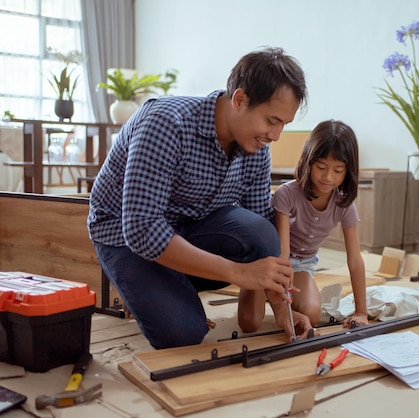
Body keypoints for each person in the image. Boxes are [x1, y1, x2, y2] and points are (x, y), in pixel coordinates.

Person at [87, 47, 313, 349]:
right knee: (184, 334)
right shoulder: (166, 124)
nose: (276, 135)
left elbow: (263, 236)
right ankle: (142, 285)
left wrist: (282, 309)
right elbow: (142, 230)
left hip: (191, 227)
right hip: (127, 237)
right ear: (240, 100)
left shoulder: (257, 148)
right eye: (272, 121)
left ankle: (165, 287)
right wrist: (238, 272)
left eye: (284, 124)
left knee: (261, 232)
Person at [238, 120, 368, 333]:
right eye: (321, 167)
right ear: (308, 161)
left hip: (304, 264)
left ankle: (276, 298)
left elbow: (354, 260)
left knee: (311, 315)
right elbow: (283, 252)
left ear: (348, 171)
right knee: (249, 323)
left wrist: (361, 312)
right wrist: (281, 302)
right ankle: (257, 286)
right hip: (273, 260)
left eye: (338, 170)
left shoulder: (344, 204)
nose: (328, 177)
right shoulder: (287, 194)